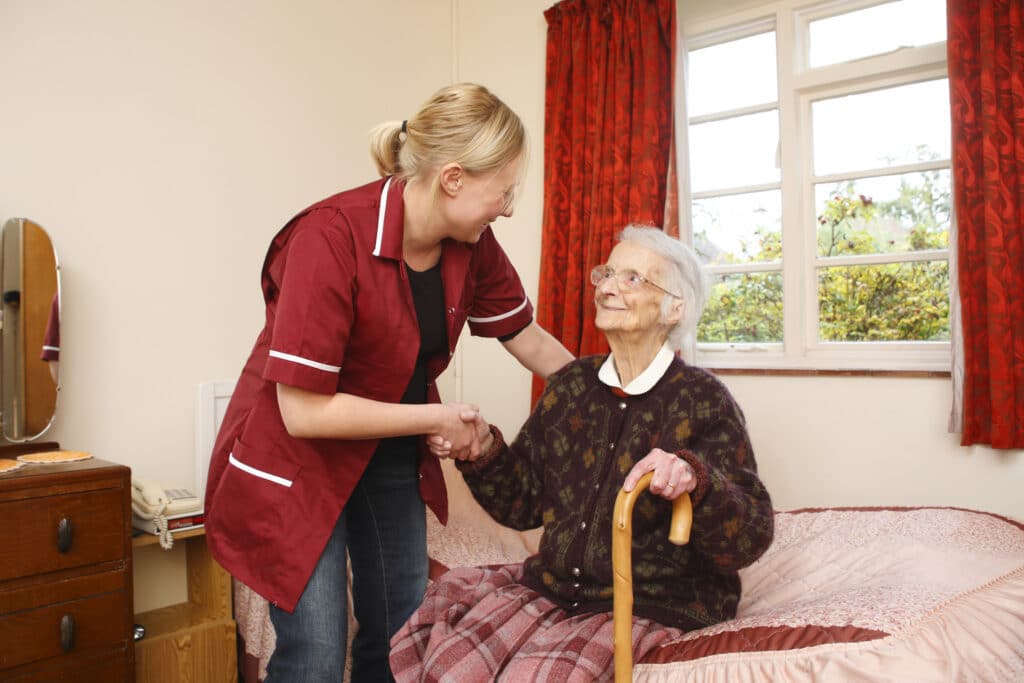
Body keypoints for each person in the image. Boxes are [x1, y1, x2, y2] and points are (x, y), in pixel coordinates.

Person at [204, 82, 574, 682]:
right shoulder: (330, 237)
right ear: (453, 178)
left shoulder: (470, 244)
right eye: (502, 191)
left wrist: (616, 393)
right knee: (316, 656)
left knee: (399, 637)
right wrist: (435, 418)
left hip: (389, 456)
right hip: (300, 460)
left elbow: (526, 337)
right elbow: (303, 413)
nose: (507, 207)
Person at [390, 225, 775, 682]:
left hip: (650, 603)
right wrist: (482, 449)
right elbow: (523, 504)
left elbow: (750, 533)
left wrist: (695, 480)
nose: (608, 287)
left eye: (632, 278)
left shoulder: (703, 400)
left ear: (676, 307)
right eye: (607, 273)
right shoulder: (572, 385)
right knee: (442, 659)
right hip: (555, 589)